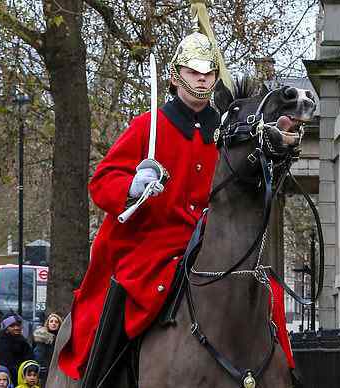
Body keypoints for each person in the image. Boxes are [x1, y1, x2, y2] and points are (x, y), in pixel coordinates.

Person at [57, 21, 229, 382]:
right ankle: (100, 375)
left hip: (211, 240)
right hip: (153, 242)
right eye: (192, 72)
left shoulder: (225, 132)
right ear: (175, 76)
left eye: (208, 72)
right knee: (126, 289)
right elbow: (102, 181)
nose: (201, 79)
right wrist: (133, 186)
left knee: (264, 289)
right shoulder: (149, 125)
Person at [0, 314, 32, 386]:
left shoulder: (23, 340)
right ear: (6, 328)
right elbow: (6, 363)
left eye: (18, 325)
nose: (16, 328)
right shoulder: (2, 341)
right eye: (12, 326)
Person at [32, 313, 61, 382]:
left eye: (56, 322)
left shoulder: (61, 339)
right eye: (51, 321)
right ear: (47, 324)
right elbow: (38, 356)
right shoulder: (42, 339)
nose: (54, 323)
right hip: (45, 372)